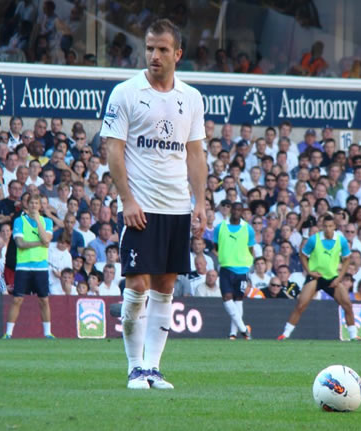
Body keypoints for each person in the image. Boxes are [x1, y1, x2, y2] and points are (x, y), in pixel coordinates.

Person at [100, 19, 206, 389]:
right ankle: (134, 367)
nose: (154, 55)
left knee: (165, 287)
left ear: (177, 54)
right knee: (137, 285)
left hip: (176, 207)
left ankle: (153, 368)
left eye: (162, 49)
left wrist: (201, 202)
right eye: (149, 48)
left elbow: (195, 154)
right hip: (140, 206)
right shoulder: (125, 93)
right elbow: (113, 149)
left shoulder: (191, 98)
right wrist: (127, 199)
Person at [278, 215, 358, 341]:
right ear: (322, 227)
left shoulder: (341, 240)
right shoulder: (314, 239)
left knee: (347, 304)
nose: (328, 229)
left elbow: (347, 259)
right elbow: (303, 255)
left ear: (335, 227)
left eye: (330, 226)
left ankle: (354, 336)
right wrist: (309, 271)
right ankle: (285, 334)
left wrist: (339, 277)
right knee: (301, 305)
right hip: (315, 277)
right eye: (325, 226)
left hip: (332, 277)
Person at [2, 194, 55, 339]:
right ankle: (8, 333)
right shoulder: (19, 221)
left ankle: (47, 333)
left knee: (44, 300)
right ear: (27, 205)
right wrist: (40, 243)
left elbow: (47, 239)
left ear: (40, 206)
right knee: (17, 299)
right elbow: (20, 243)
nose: (33, 206)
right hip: (24, 266)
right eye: (31, 203)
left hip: (41, 267)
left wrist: (38, 220)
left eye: (36, 203)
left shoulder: (47, 222)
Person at [214, 202, 254, 341]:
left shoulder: (248, 229)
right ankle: (244, 329)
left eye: (239, 209)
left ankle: (233, 334)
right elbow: (216, 245)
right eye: (234, 209)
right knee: (227, 298)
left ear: (242, 211)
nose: (237, 211)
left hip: (242, 269)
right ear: (231, 210)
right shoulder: (220, 227)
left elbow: (251, 248)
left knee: (238, 300)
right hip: (226, 268)